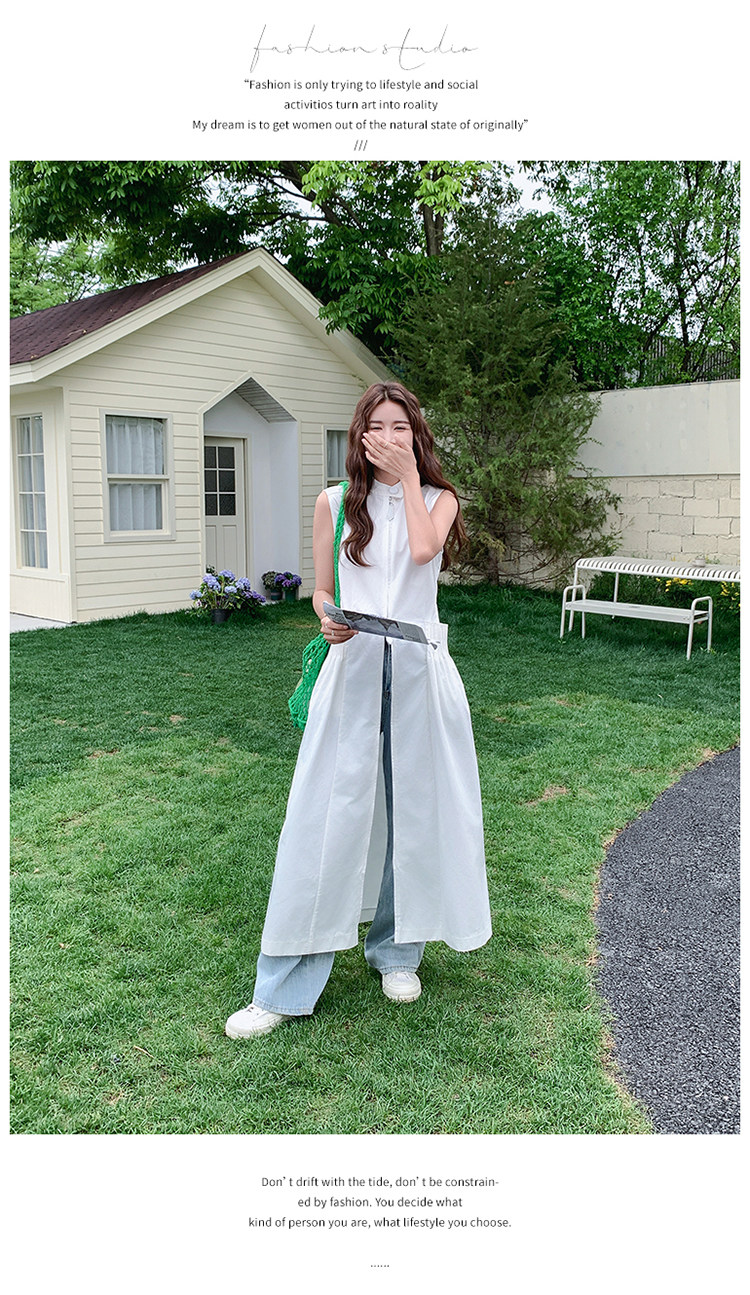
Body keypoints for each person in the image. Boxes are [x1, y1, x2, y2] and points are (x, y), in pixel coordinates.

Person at [225, 382, 491, 1038]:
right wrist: (326, 618)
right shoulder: (333, 502)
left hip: (422, 676)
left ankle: (397, 952)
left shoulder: (441, 499)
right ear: (360, 436)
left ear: (416, 436)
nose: (390, 438)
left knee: (415, 817)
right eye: (378, 426)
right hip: (352, 673)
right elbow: (322, 590)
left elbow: (424, 552)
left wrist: (409, 481)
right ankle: (283, 986)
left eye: (402, 427)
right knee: (324, 819)